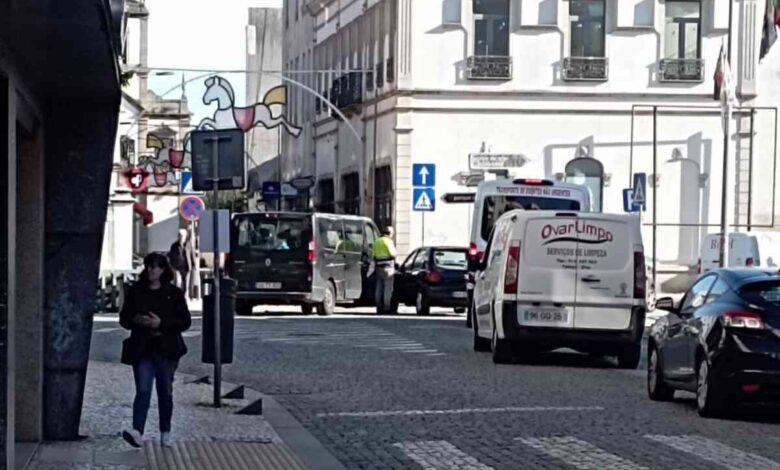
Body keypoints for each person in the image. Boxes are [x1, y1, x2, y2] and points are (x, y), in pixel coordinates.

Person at [119, 253, 191, 449]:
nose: (151, 270)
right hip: (142, 347)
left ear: (163, 270)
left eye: (156, 267)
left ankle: (165, 432)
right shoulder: (136, 291)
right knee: (143, 389)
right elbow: (124, 317)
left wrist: (161, 323)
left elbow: (184, 321)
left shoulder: (173, 293)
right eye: (149, 266)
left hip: (166, 349)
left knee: (164, 391)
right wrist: (136, 319)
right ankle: (137, 431)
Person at [372, 226, 397, 315]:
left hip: (378, 267)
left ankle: (379, 307)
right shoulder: (388, 241)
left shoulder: (377, 241)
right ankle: (387, 307)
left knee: (379, 288)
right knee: (388, 289)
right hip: (388, 268)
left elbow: (373, 255)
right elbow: (393, 254)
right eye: (392, 233)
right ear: (389, 233)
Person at [168, 229, 195, 297]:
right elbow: (171, 257)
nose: (181, 237)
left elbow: (192, 255)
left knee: (186, 284)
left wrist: (194, 265)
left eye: (182, 236)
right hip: (177, 268)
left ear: (185, 236)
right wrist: (172, 266)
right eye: (179, 235)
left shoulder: (188, 244)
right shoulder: (174, 246)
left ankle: (184, 298)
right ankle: (176, 297)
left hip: (186, 267)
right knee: (178, 283)